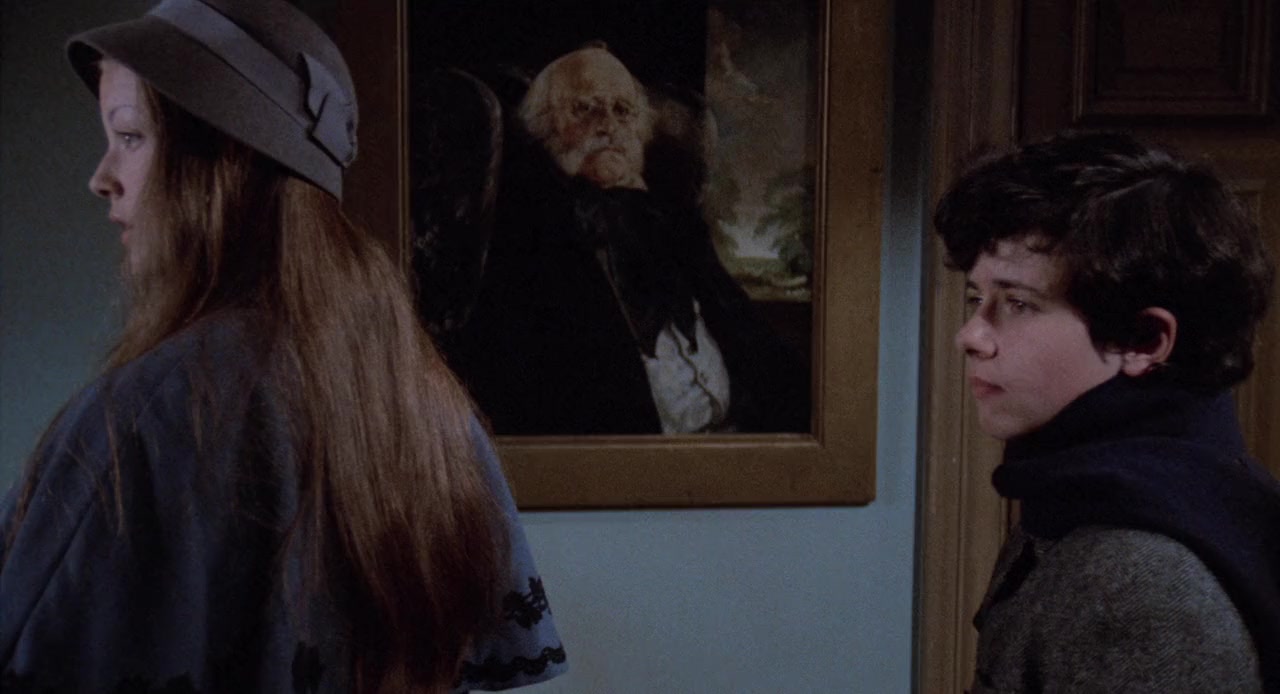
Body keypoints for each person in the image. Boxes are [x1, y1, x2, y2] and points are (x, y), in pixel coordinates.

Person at [0, 1, 566, 692]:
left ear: (224, 156)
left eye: (131, 136)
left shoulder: (150, 414)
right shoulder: (423, 399)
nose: (102, 176)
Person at [935, 130, 1279, 692]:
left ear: (1145, 340)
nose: (970, 336)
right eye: (977, 298)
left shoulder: (1140, 579)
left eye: (1018, 303)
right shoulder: (1079, 495)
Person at [440, 46, 810, 435]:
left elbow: (758, 346)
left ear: (641, 131)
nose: (608, 126)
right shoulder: (527, 248)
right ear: (542, 128)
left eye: (623, 111)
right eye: (584, 109)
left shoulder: (677, 228)